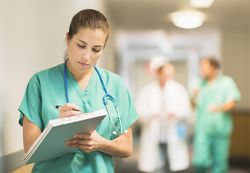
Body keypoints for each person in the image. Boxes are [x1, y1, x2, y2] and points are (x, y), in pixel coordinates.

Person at [18, 9, 138, 173]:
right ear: (68, 39)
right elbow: (29, 147)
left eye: (96, 49)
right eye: (81, 46)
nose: (87, 56)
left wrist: (101, 143)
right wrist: (56, 129)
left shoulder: (115, 84)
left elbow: (127, 146)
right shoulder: (40, 82)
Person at [136, 57, 192, 173]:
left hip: (172, 132)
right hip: (153, 132)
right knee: (156, 165)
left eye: (170, 75)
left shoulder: (179, 89)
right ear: (158, 73)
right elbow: (139, 110)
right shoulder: (147, 90)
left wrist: (176, 113)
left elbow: (187, 110)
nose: (167, 77)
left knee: (172, 164)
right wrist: (150, 114)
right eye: (165, 74)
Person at [191, 56, 241, 173]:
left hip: (220, 131)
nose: (201, 69)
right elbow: (193, 105)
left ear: (214, 67)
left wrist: (219, 108)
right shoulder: (199, 84)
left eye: (204, 66)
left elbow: (233, 102)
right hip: (202, 130)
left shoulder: (226, 82)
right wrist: (193, 96)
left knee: (219, 166)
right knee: (200, 162)